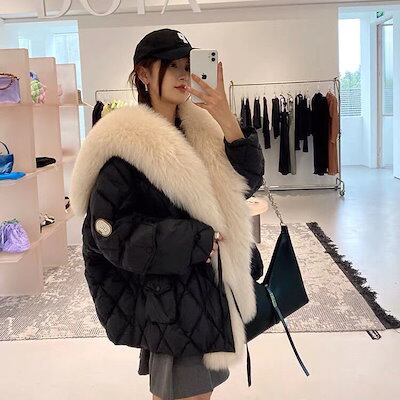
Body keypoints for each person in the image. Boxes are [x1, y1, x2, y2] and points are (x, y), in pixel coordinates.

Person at [70, 28, 265, 400]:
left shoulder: (202, 132)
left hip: (206, 293)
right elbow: (112, 235)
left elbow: (247, 181)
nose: (182, 75)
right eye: (171, 65)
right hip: (170, 302)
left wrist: (226, 119)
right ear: (144, 74)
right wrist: (195, 239)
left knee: (195, 393)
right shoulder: (125, 146)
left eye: (187, 66)